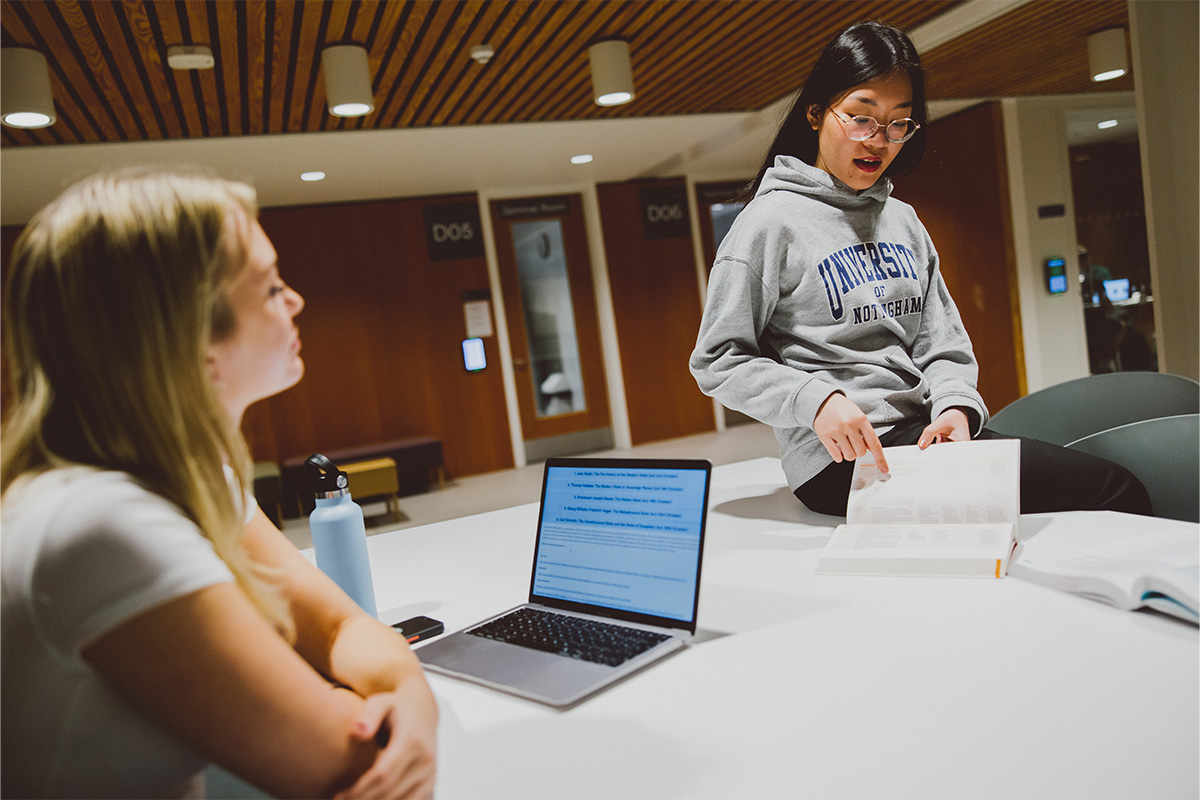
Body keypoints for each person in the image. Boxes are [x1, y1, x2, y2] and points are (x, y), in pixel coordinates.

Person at [1, 169, 438, 798]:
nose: (296, 301)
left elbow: (337, 628)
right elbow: (349, 761)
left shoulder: (189, 476)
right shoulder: (98, 525)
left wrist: (412, 697)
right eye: (270, 287)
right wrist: (406, 706)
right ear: (194, 347)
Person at [689, 21, 1150, 518]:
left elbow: (942, 343)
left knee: (1096, 492)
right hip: (841, 462)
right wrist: (815, 400)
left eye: (898, 124)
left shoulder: (903, 220)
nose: (879, 142)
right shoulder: (769, 222)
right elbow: (718, 360)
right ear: (817, 113)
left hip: (922, 437)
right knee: (1113, 490)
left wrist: (954, 406)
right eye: (861, 118)